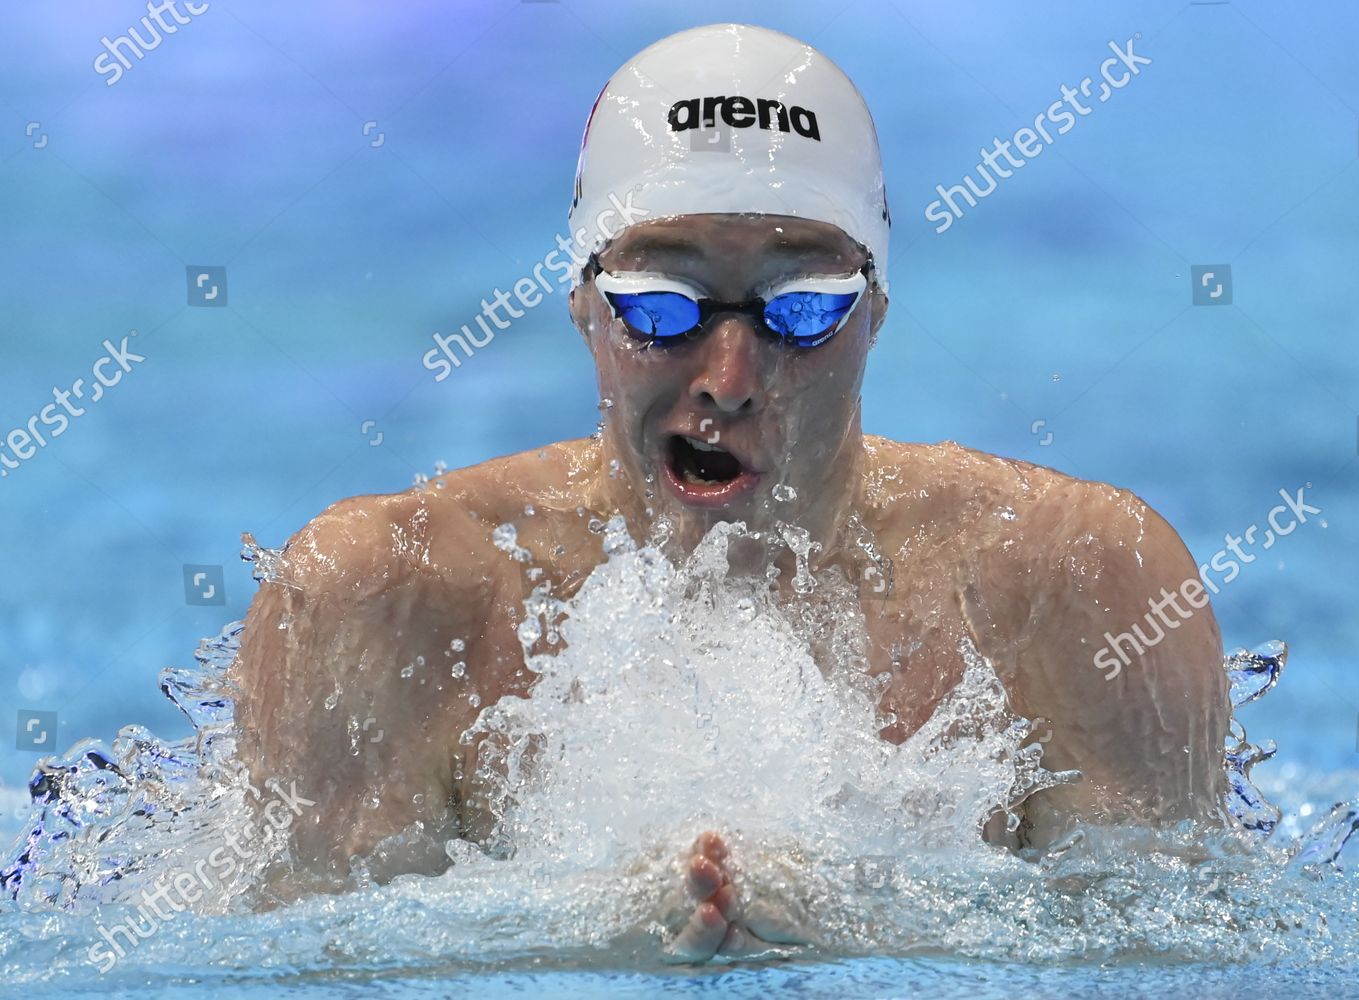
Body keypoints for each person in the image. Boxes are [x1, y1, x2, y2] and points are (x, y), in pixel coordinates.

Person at [229, 23, 1229, 962]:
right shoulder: (386, 593)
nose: (731, 375)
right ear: (583, 305)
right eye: (660, 307)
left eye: (803, 310)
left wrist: (852, 915)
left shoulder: (1077, 580)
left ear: (875, 312)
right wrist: (600, 922)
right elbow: (303, 963)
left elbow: (1169, 954)